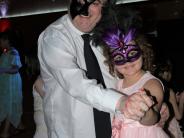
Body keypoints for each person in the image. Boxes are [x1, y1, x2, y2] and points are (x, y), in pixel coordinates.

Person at [37, 0, 154, 138]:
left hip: (117, 129)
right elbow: (75, 83)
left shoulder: (108, 35)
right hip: (72, 132)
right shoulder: (54, 37)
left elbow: (126, 73)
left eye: (95, 2)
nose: (86, 10)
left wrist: (150, 105)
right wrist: (121, 102)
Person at [101, 26, 169, 137]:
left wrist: (145, 112)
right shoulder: (117, 84)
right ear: (112, 62)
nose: (127, 61)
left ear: (142, 52)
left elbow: (153, 119)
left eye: (132, 53)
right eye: (119, 57)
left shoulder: (151, 84)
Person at [0, 30, 23, 138]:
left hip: (12, 83)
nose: (0, 43)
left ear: (6, 41)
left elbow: (15, 69)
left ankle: (5, 132)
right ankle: (19, 126)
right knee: (7, 104)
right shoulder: (6, 52)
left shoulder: (14, 52)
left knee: (10, 104)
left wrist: (3, 69)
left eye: (1, 41)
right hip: (6, 83)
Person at [155, 60, 184, 138]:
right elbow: (178, 116)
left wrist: (174, 100)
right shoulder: (169, 91)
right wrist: (182, 99)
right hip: (169, 126)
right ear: (166, 73)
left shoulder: (155, 87)